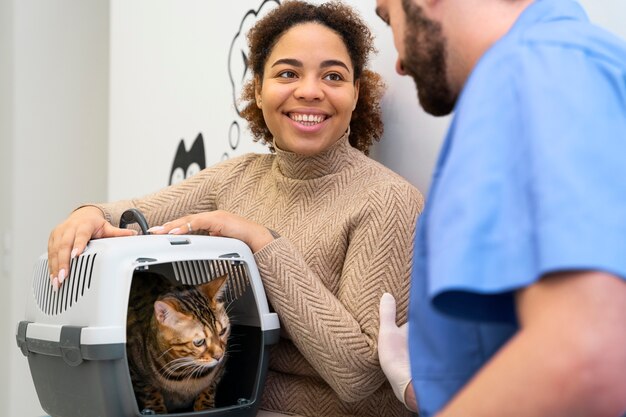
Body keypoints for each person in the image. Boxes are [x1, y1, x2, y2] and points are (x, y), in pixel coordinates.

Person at [47, 1, 423, 416]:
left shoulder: (388, 201)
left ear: (356, 93)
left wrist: (260, 241)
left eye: (333, 76)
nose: (310, 90)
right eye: (288, 73)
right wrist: (87, 214)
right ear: (258, 89)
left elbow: (359, 378)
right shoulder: (237, 178)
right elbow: (132, 212)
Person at [375, 0, 626, 416]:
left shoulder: (535, 67)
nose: (398, 62)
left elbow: (586, 359)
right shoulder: (568, 64)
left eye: (389, 19)